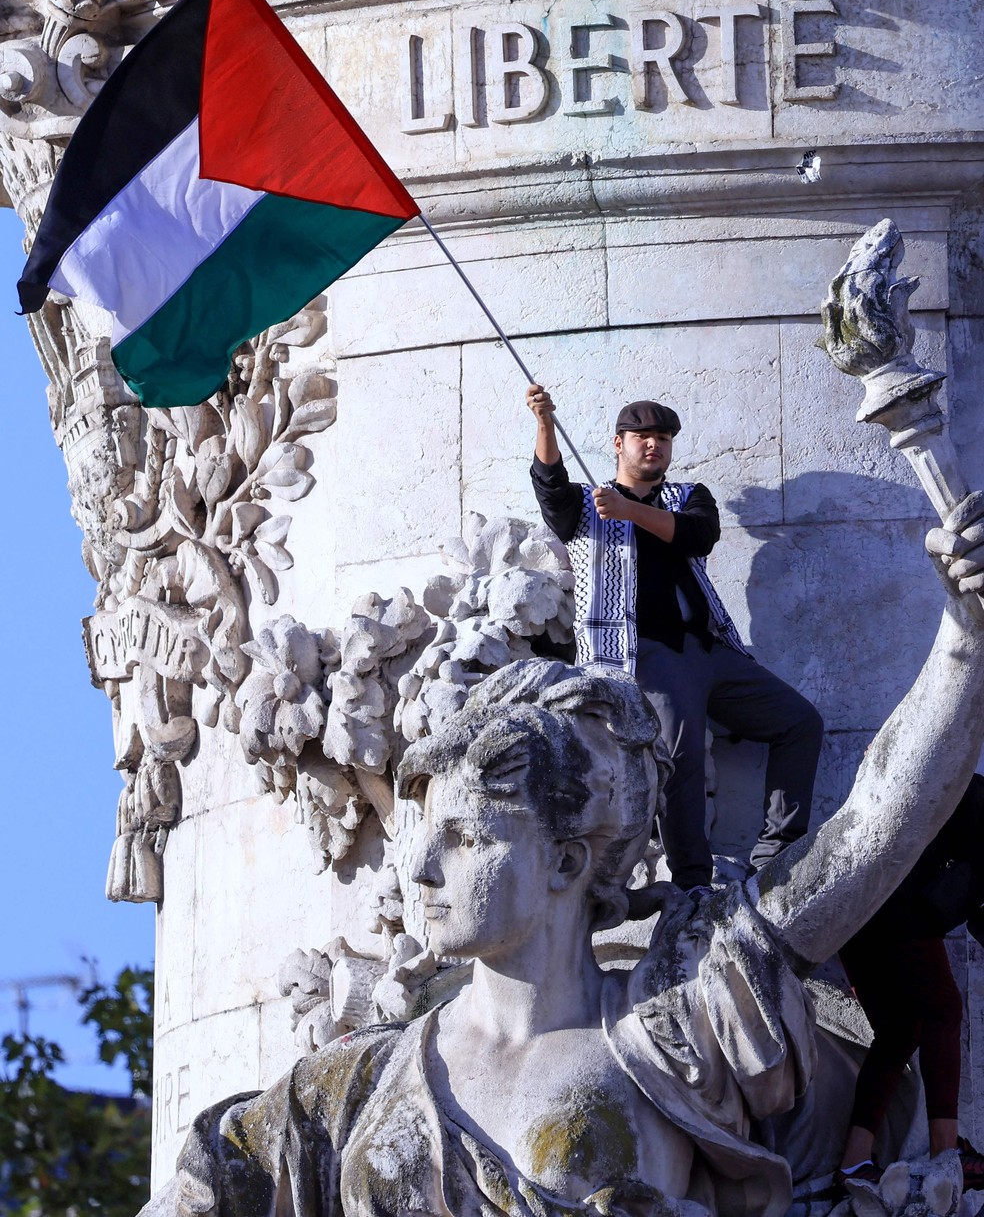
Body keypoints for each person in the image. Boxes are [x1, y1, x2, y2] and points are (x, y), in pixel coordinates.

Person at [143, 492, 984, 1217]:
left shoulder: (675, 1031)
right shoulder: (351, 1088)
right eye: (424, 837)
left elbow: (876, 825)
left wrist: (964, 638)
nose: (422, 870)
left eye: (467, 838)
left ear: (568, 863)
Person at [526, 383, 824, 891]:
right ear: (618, 443)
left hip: (710, 650)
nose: (653, 445)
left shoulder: (689, 498)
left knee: (800, 721)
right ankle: (692, 883)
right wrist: (545, 423)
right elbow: (551, 486)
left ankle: (778, 849)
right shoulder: (585, 505)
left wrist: (630, 512)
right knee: (682, 759)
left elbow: (697, 535)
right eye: (641, 436)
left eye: (663, 437)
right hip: (642, 653)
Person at [836, 773, 984, 1194]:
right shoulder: (974, 796)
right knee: (943, 1009)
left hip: (857, 913)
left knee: (901, 1030)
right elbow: (929, 780)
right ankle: (945, 1153)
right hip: (892, 903)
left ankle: (852, 1163)